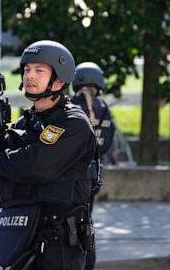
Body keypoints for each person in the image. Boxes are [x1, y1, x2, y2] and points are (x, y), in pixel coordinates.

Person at [0, 40, 97, 270]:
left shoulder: (73, 123)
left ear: (60, 79)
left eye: (39, 71)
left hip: (59, 246)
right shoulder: (26, 123)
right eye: (27, 70)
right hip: (23, 237)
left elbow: (39, 164)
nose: (30, 76)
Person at [71, 62, 116, 270]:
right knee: (86, 220)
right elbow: (106, 143)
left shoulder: (70, 104)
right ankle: (88, 264)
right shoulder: (104, 108)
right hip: (92, 176)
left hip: (70, 176)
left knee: (66, 224)